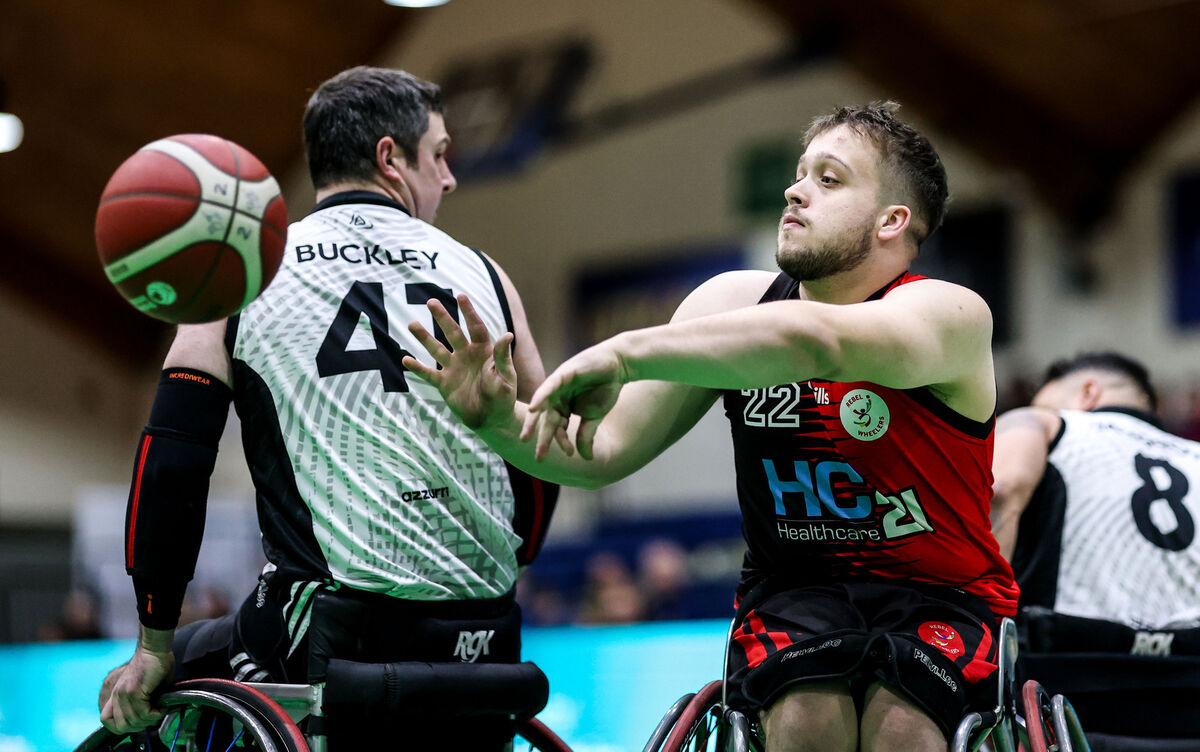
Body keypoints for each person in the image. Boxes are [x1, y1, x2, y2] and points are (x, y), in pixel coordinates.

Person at [404, 101, 1016, 751]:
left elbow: (818, 343)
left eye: (829, 179)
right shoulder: (729, 304)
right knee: (805, 717)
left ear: (892, 220)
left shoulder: (949, 313)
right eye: (800, 174)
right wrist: (499, 421)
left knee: (906, 729)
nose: (795, 191)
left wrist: (624, 352)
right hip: (795, 596)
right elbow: (600, 452)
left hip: (941, 597)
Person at [98, 65, 557, 750]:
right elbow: (543, 461)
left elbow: (172, 464)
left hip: (338, 639)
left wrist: (153, 640)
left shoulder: (242, 271)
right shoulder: (486, 275)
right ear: (390, 158)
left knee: (170, 665)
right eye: (440, 154)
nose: (450, 177)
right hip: (487, 641)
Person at [990, 352, 1200, 742]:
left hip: (1065, 691)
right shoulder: (1195, 456)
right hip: (1189, 692)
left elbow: (1001, 490)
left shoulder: (1046, 423)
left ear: (1089, 392)